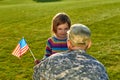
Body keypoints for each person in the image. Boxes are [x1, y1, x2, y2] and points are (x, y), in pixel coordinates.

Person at [33, 24, 109, 80]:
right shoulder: (99, 67)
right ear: (89, 44)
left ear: (68, 43)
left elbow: (36, 77)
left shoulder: (52, 60)